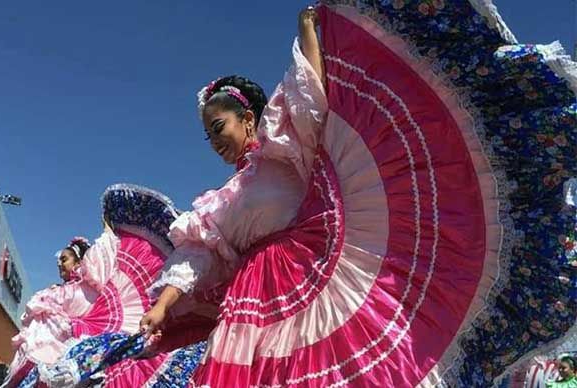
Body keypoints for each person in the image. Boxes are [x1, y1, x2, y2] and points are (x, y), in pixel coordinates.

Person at [138, 1, 576, 386]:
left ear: (247, 118)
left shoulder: (283, 150)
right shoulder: (221, 200)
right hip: (251, 303)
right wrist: (164, 307)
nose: (216, 142)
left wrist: (310, 32)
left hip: (312, 271)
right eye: (208, 137)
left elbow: (311, 96)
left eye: (220, 128)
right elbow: (198, 255)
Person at [3, 185, 203, 388]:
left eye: (64, 259)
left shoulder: (88, 282)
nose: (59, 263)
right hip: (67, 346)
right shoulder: (59, 290)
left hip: (93, 336)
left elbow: (101, 262)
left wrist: (108, 232)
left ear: (79, 260)